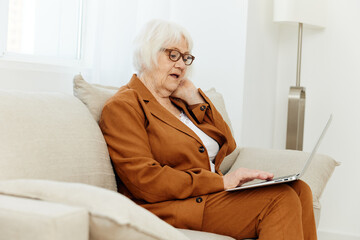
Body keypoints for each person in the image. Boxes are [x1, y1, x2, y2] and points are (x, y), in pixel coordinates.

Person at [99, 19, 317, 240]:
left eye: (186, 57)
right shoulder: (124, 106)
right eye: (173, 55)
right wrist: (220, 182)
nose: (182, 64)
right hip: (171, 206)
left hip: (208, 196)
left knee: (300, 189)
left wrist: (194, 98)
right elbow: (145, 180)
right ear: (148, 54)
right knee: (280, 198)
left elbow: (228, 144)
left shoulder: (180, 100)